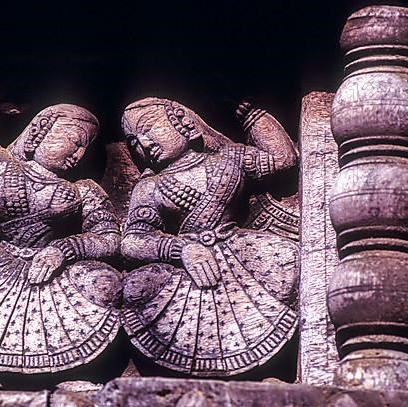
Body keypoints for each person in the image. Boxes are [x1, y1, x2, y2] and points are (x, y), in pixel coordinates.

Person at [120, 97, 299, 376]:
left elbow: (283, 160)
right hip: (186, 265)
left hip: (242, 251)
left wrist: (253, 115)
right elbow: (133, 241)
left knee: (288, 257)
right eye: (133, 143)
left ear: (184, 124)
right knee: (136, 286)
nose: (144, 144)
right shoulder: (150, 186)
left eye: (150, 128)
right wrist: (181, 250)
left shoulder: (229, 159)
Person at [0, 104, 122, 373]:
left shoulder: (83, 191)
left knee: (105, 281)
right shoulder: (3, 171)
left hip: (56, 270)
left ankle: (70, 369)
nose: (78, 154)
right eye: (74, 141)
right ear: (38, 133)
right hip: (2, 261)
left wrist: (66, 249)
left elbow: (110, 237)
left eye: (86, 149)